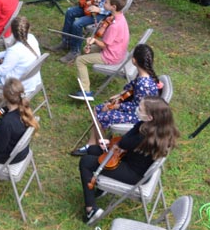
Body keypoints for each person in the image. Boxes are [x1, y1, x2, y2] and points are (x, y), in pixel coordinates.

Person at [77, 96, 179, 224]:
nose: (137, 110)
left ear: (150, 118)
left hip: (134, 174)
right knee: (93, 150)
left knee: (86, 162)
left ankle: (91, 210)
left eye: (140, 109)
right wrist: (110, 143)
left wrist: (117, 143)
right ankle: (101, 189)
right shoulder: (155, 128)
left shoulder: (143, 134)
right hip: (132, 159)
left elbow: (125, 141)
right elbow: (124, 143)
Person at [71, 44, 162, 156]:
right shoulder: (144, 75)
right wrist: (120, 95)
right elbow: (132, 86)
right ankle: (91, 144)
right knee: (97, 109)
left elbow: (137, 108)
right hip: (135, 109)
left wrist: (116, 106)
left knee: (101, 117)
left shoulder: (144, 84)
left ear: (134, 60)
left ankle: (104, 149)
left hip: (139, 117)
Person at [51, 0, 131, 64]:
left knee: (77, 24)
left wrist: (99, 9)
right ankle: (66, 41)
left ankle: (75, 51)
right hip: (101, 6)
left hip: (104, 14)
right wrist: (99, 0)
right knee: (70, 12)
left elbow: (114, 9)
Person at [69, 0, 130, 101]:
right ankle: (84, 79)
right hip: (118, 51)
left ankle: (86, 92)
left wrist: (94, 40)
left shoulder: (114, 26)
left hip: (111, 55)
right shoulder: (120, 17)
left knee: (79, 60)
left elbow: (104, 45)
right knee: (86, 49)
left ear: (113, 7)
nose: (104, 4)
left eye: (106, 2)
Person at [0, 16, 42, 111]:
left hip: (17, 85)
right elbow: (16, 53)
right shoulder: (31, 38)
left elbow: (1, 71)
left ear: (12, 32)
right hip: (32, 81)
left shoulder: (14, 51)